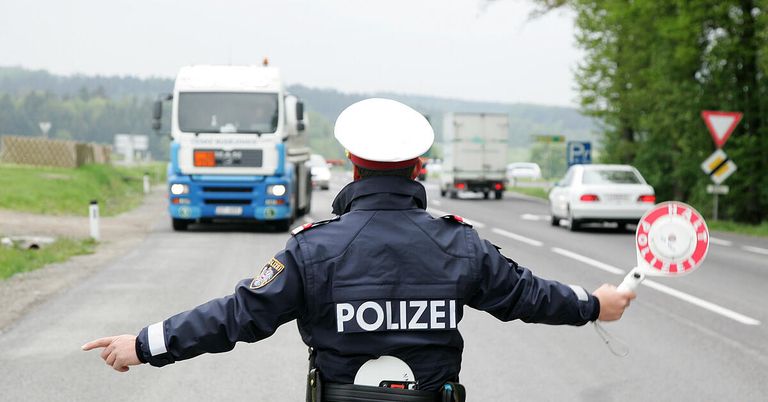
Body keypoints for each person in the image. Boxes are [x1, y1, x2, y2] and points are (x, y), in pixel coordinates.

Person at [83, 98, 635, 401]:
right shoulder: (461, 244)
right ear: (419, 168)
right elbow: (530, 296)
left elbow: (238, 315)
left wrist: (145, 344)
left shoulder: (313, 249)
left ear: (352, 163)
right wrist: (595, 304)